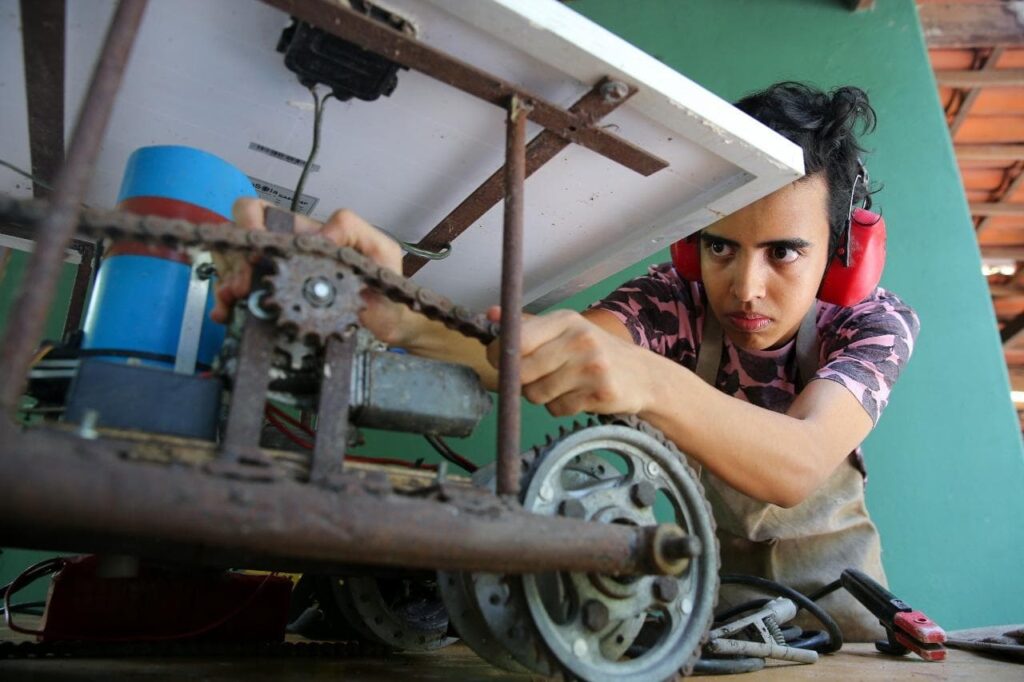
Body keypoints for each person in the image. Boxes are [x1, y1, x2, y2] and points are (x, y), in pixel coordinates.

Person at [213, 82, 919, 642]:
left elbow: (795, 464)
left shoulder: (872, 326)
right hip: (708, 626)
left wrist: (647, 379)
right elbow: (544, 352)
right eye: (720, 247)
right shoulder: (672, 303)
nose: (744, 286)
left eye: (783, 252)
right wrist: (395, 310)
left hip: (845, 629)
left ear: (842, 253)